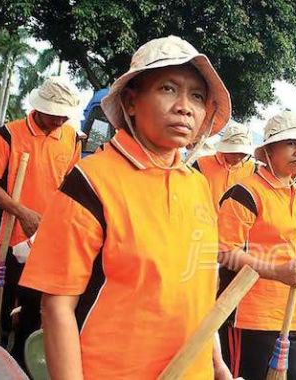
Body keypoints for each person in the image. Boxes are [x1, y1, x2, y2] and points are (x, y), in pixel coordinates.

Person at [19, 36, 234, 379]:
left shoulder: (196, 183)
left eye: (196, 95)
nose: (185, 106)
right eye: (168, 88)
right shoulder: (91, 182)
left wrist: (217, 363)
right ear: (131, 101)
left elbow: (201, 284)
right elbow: (57, 305)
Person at [218, 111, 296, 380]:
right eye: (290, 143)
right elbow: (223, 252)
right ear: (268, 150)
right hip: (251, 319)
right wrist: (275, 272)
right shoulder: (246, 193)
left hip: (294, 318)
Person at [0, 76, 81, 364]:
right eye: (55, 113)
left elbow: (71, 185)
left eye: (65, 114)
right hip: (8, 236)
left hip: (46, 240)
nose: (60, 120)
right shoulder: (8, 135)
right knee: (0, 304)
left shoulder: (71, 137)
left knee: (33, 307)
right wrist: (22, 212)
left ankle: (22, 360)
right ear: (39, 108)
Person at [192, 120, 255, 209]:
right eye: (233, 152)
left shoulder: (252, 170)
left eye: (243, 153)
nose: (238, 157)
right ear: (224, 148)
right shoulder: (201, 164)